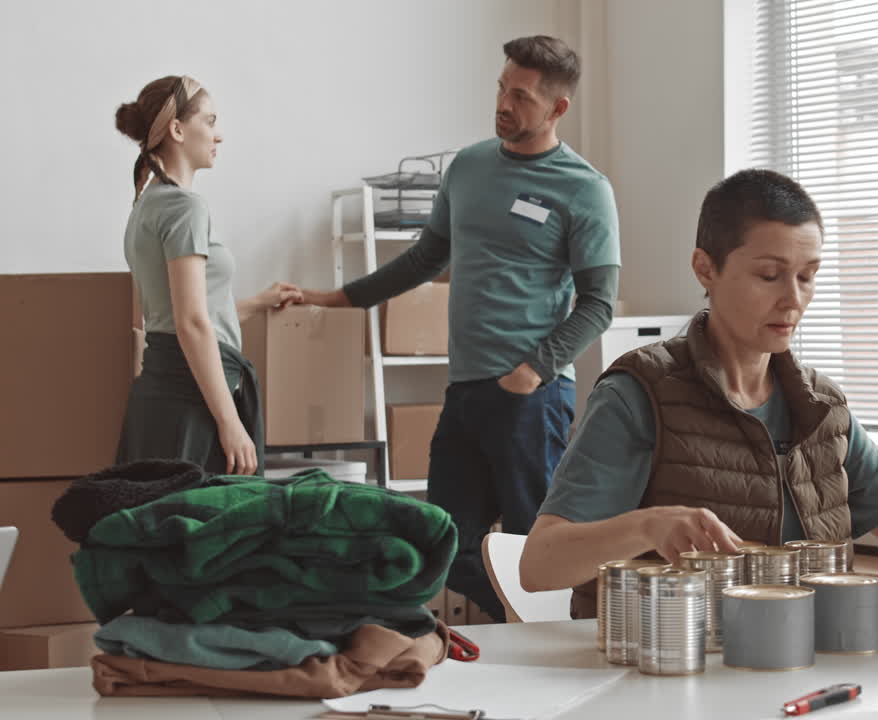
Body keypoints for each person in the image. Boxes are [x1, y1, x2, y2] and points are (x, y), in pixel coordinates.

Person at [519, 169, 878, 619]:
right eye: (769, 275)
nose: (793, 299)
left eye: (807, 275)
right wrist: (647, 526)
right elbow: (539, 566)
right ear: (705, 269)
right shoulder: (638, 395)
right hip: (666, 685)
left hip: (800, 679)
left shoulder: (822, 409)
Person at [299, 37, 621, 621]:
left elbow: (600, 303)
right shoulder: (469, 167)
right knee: (443, 544)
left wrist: (533, 371)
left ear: (557, 108)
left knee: (534, 551)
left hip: (533, 397)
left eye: (520, 96)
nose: (503, 102)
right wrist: (335, 298)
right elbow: (424, 259)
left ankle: (542, 675)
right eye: (501, 87)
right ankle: (513, 632)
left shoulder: (584, 188)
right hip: (466, 389)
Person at [115, 75, 301, 476]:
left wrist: (256, 303)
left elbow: (181, 312)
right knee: (210, 533)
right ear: (177, 130)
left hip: (161, 399)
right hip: (194, 402)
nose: (220, 135)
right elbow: (192, 322)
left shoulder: (145, 206)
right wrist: (229, 422)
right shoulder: (185, 208)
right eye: (211, 121)